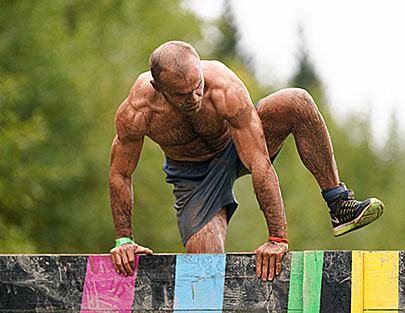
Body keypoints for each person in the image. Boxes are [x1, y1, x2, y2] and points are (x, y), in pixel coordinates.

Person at [109, 41, 384, 281]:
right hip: (194, 176)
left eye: (197, 87)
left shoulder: (223, 86)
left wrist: (277, 238)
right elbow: (121, 174)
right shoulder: (138, 110)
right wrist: (124, 240)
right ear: (158, 88)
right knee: (204, 271)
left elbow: (259, 161)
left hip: (236, 145)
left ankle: (338, 203)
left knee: (296, 101)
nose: (194, 97)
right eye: (181, 94)